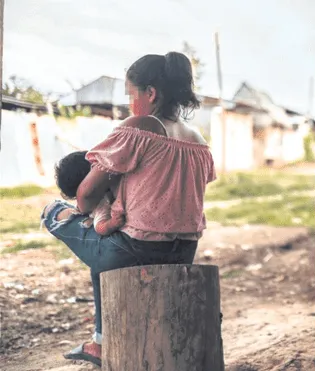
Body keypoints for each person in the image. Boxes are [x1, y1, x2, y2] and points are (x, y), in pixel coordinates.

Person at [41, 51, 216, 367]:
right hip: (185, 251)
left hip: (135, 250)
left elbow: (85, 196)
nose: (128, 105)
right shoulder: (199, 143)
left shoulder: (139, 126)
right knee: (101, 248)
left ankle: (100, 341)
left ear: (151, 93)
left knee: (55, 211)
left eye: (130, 95)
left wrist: (86, 204)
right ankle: (100, 341)